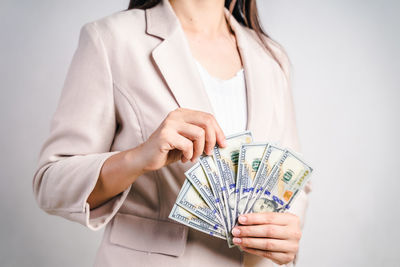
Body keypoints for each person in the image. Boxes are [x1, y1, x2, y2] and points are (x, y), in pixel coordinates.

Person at [33, 0, 311, 266]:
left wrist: (284, 236)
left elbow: (295, 184)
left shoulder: (271, 56)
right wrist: (138, 158)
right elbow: (50, 181)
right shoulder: (111, 39)